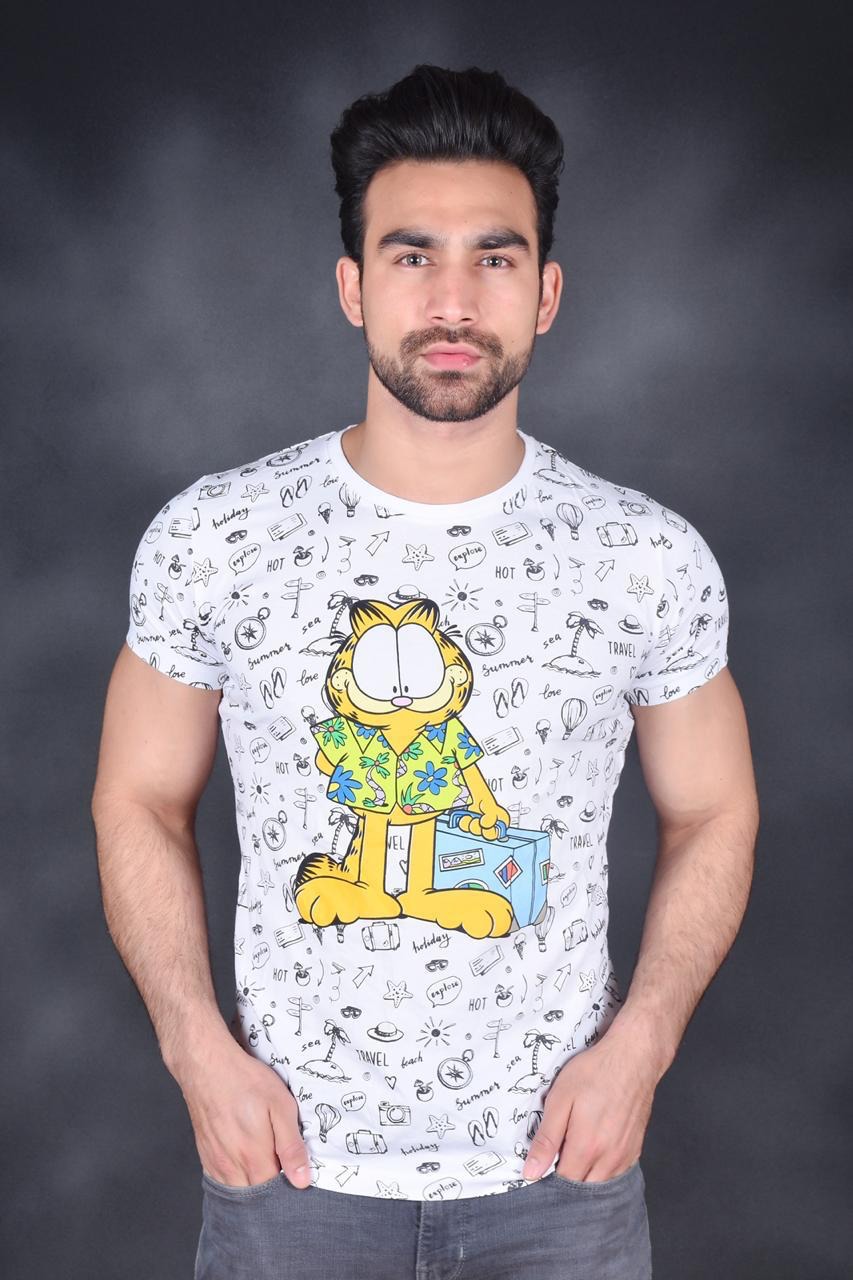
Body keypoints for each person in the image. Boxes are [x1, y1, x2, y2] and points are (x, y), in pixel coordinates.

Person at [91, 63, 759, 1280]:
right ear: (353, 284)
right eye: (412, 256)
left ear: (546, 292)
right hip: (290, 1187)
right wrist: (195, 1047)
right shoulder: (216, 537)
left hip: (560, 1192)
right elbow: (136, 795)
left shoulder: (642, 556)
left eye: (494, 258)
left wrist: (644, 1043)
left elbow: (715, 808)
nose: (453, 300)